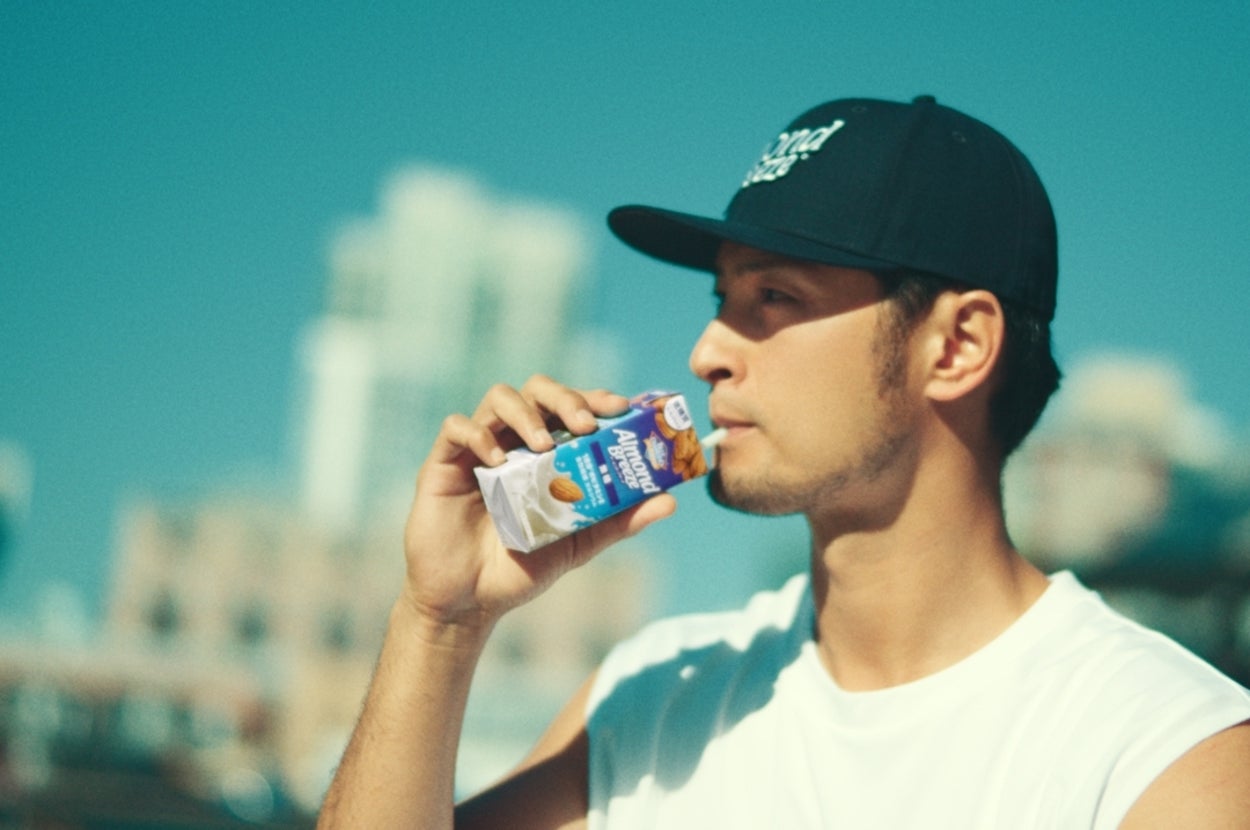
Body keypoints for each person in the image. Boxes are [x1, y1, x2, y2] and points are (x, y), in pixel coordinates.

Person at [317, 95, 1250, 828]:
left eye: (775, 297)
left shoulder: (1157, 747)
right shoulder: (658, 696)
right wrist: (439, 624)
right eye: (722, 298)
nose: (707, 352)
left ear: (958, 345)